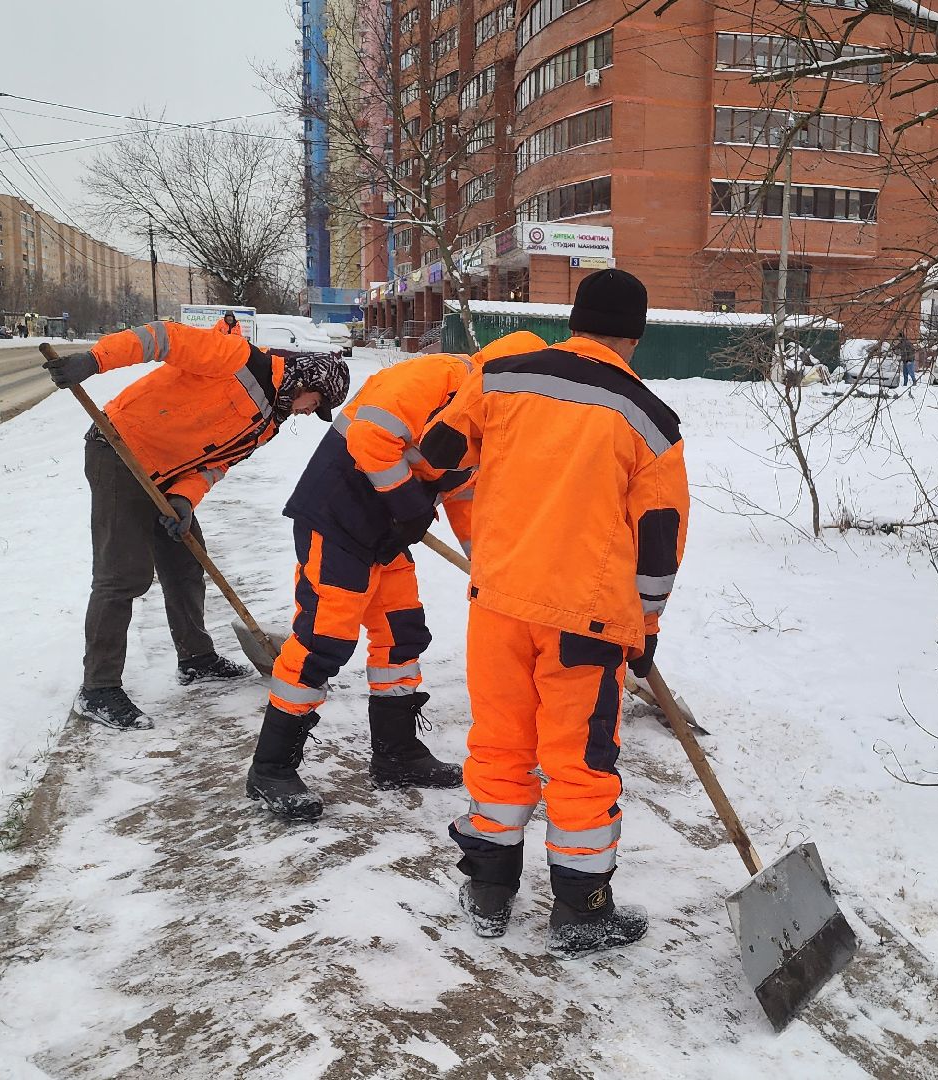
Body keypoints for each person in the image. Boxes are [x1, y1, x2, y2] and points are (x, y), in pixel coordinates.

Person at [420, 270, 689, 959]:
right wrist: (647, 630)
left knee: (501, 745)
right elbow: (658, 545)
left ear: (574, 319)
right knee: (578, 765)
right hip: (586, 624)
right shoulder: (651, 422)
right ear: (634, 334)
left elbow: (438, 452)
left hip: (500, 605)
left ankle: (486, 889)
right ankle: (581, 910)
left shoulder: (501, 377)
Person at [245, 330, 548, 821]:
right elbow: (371, 436)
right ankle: (271, 767)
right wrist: (408, 505)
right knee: (324, 640)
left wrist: (489, 564)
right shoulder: (435, 377)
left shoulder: (497, 420)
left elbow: (467, 495)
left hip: (386, 538)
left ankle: (396, 754)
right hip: (338, 521)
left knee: (402, 635)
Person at [42, 321, 350, 731]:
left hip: (169, 477)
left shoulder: (269, 422)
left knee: (187, 565)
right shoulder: (237, 359)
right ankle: (98, 688)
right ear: (306, 380)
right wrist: (96, 360)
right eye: (317, 402)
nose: (311, 412)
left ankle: (195, 658)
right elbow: (162, 338)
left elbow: (217, 464)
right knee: (123, 576)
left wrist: (185, 498)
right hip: (120, 451)